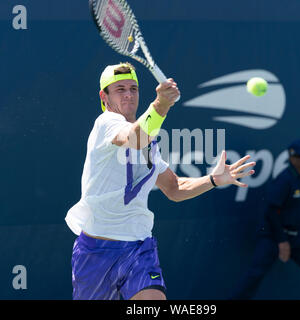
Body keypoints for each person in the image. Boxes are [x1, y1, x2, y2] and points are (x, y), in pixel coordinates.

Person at [65, 62, 256, 300]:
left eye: (133, 88)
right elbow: (134, 137)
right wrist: (161, 105)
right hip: (95, 252)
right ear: (104, 96)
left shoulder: (149, 143)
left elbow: (174, 188)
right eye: (120, 89)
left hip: (138, 248)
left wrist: (213, 179)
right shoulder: (106, 123)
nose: (128, 94)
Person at [230, 139, 300, 300]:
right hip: (273, 237)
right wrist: (282, 241)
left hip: (295, 237)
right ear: (293, 159)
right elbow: (270, 211)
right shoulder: (284, 180)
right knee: (254, 275)